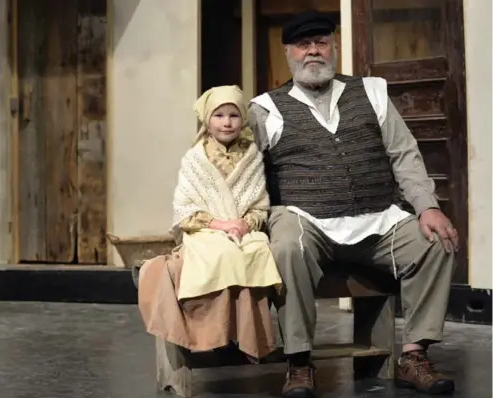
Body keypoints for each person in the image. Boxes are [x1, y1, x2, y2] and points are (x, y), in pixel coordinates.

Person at [248, 10, 458, 398]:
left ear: (334, 47)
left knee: (437, 240)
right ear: (289, 53)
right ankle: (298, 362)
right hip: (305, 221)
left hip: (377, 221)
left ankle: (414, 354)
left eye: (321, 43)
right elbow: (248, 171)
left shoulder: (371, 92)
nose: (313, 52)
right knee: (285, 245)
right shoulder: (266, 108)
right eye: (303, 45)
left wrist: (427, 206)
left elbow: (404, 154)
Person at [137, 85, 283, 361]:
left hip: (241, 229)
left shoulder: (252, 156)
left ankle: (250, 339)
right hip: (206, 229)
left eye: (233, 115)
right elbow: (185, 208)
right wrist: (219, 224)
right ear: (207, 120)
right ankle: (212, 337)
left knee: (255, 253)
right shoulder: (194, 158)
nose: (227, 122)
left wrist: (244, 224)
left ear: (243, 120)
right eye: (219, 115)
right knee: (217, 255)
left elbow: (259, 203)